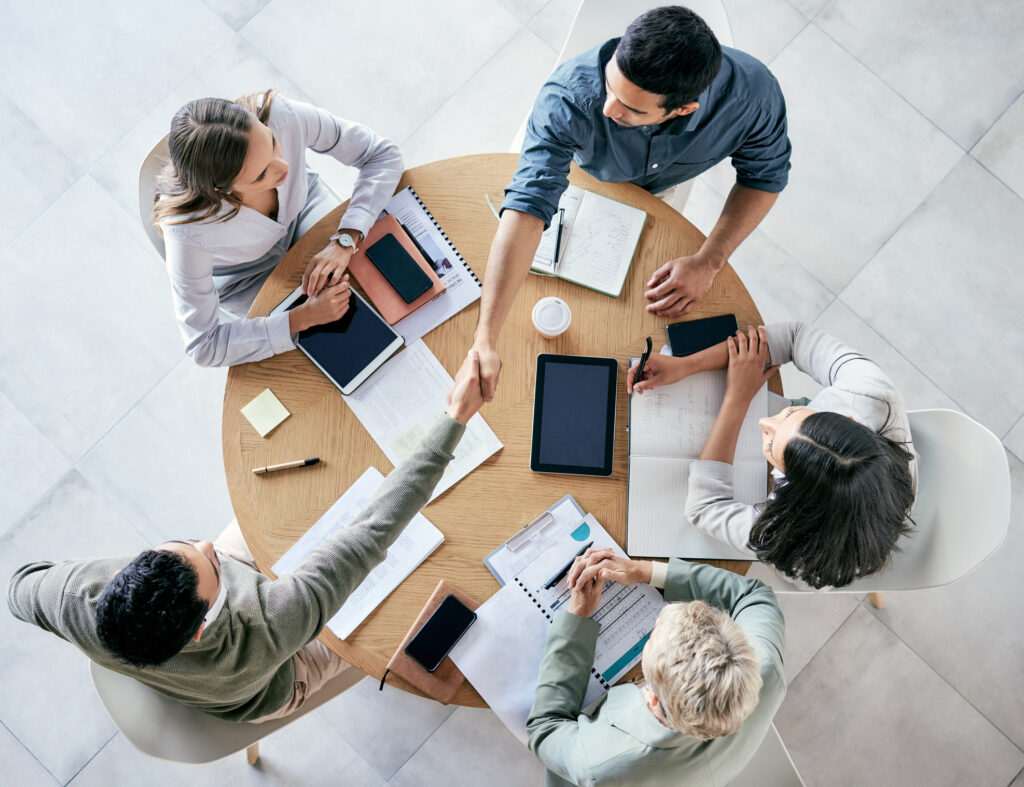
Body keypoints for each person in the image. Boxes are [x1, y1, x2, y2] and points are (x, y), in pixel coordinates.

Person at [7, 353, 485, 722]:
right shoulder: (271, 625)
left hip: (197, 651)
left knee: (298, 505)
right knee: (385, 616)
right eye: (211, 564)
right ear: (199, 629)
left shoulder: (72, 598)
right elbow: (373, 532)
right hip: (275, 682)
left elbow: (17, 590)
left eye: (188, 545)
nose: (208, 545)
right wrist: (455, 421)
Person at [469, 6, 791, 399]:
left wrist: (709, 260)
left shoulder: (753, 97)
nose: (608, 110)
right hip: (574, 164)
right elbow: (527, 207)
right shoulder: (570, 97)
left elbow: (764, 179)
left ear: (684, 109)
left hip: (660, 189)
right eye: (611, 87)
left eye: (632, 109)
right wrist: (485, 338)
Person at [628, 323, 917, 589]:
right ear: (850, 421)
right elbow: (795, 337)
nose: (764, 423)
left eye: (771, 444)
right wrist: (686, 365)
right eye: (792, 414)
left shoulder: (794, 538)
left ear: (794, 495)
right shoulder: (869, 393)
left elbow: (703, 508)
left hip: (829, 555)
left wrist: (737, 398)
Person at [154, 89, 403, 367]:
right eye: (261, 174)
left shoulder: (281, 116)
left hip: (304, 212)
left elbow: (381, 155)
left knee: (385, 285)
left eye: (272, 143)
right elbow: (204, 345)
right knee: (338, 353)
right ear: (220, 191)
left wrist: (347, 237)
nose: (283, 167)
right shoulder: (187, 232)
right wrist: (301, 318)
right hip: (247, 278)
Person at [528, 549, 785, 786]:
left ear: (650, 698)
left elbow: (545, 728)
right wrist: (646, 571)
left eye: (653, 636)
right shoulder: (766, 669)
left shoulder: (603, 763)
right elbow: (754, 595)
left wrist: (577, 619)